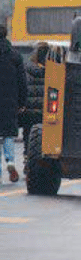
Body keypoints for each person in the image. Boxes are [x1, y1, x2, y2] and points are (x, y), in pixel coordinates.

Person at [0, 24, 26, 183]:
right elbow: (22, 82)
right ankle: (10, 161)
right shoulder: (15, 56)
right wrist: (22, 102)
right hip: (10, 100)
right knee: (8, 134)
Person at [19, 42, 49, 148]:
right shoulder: (53, 71)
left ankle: (27, 154)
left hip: (29, 109)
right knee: (45, 134)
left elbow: (22, 87)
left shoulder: (26, 68)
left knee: (28, 133)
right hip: (45, 110)